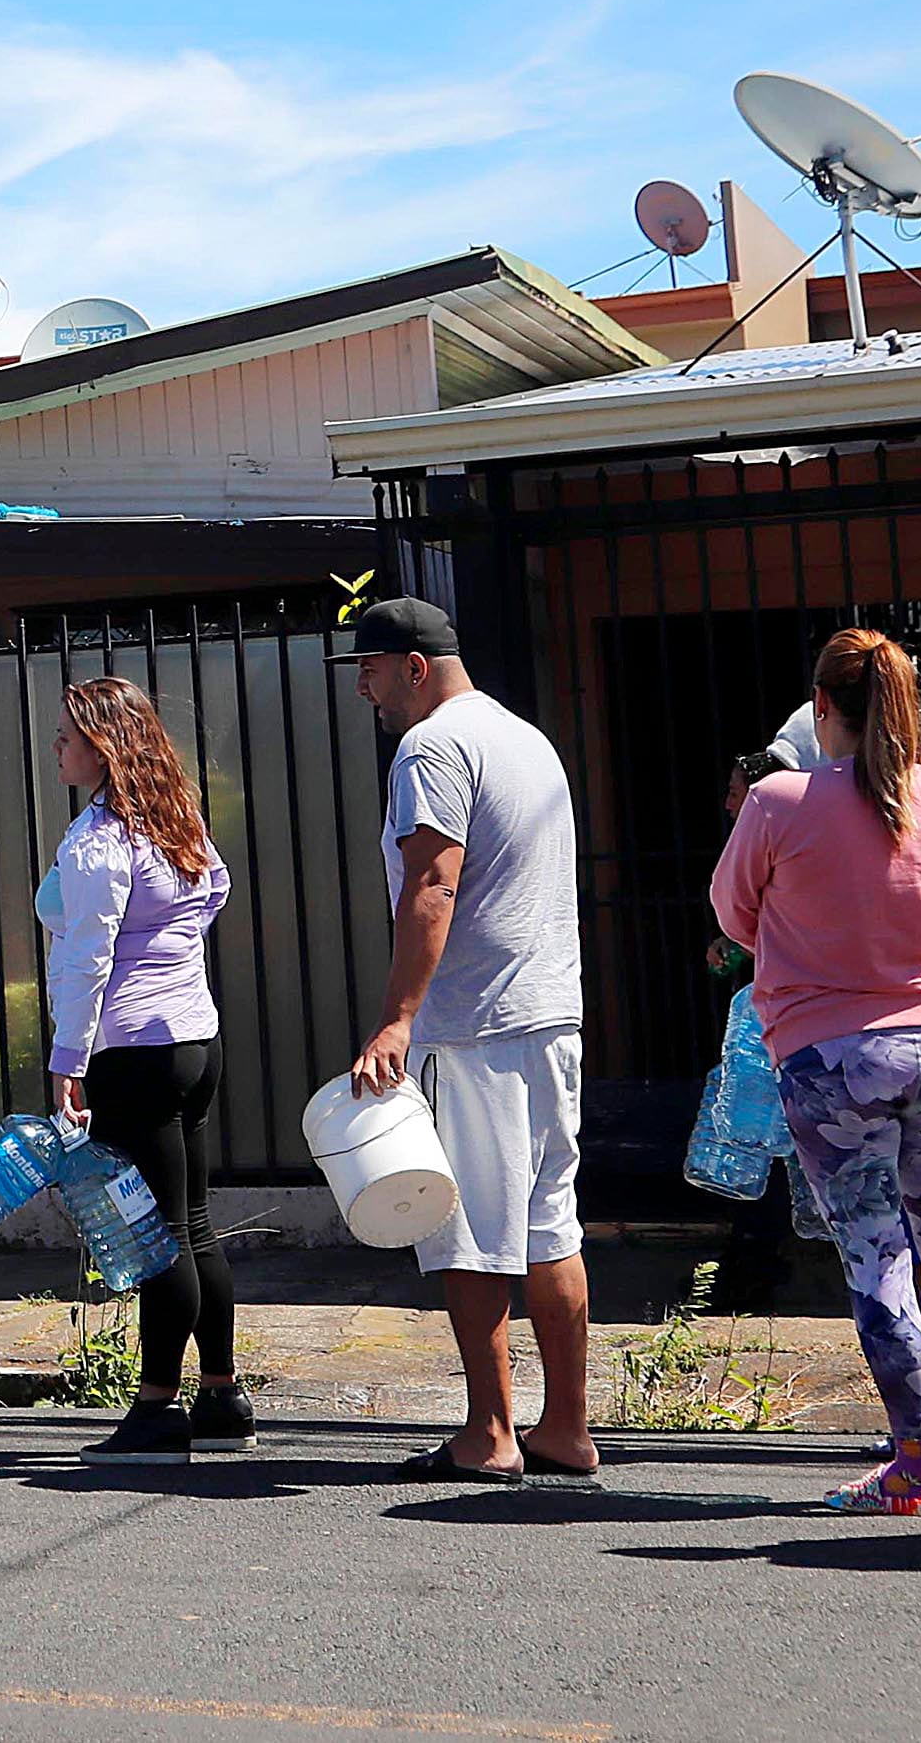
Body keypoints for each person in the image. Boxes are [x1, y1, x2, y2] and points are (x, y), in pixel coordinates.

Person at [710, 631, 921, 1516]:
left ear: (823, 706)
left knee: (877, 1255)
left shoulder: (779, 802)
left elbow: (732, 913)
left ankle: (917, 1463)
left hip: (832, 1058)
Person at [338, 598, 597, 1487]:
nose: (364, 687)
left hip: (474, 1021)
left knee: (465, 1233)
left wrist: (399, 1015)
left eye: (369, 667)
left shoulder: (432, 747)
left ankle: (490, 1432)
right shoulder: (526, 738)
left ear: (415, 665)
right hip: (549, 1013)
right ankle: (567, 1426)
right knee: (549, 1225)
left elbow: (433, 884)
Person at [42, 677, 250, 1460]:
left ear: (101, 746)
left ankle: (158, 1404)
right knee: (193, 1221)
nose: (57, 746)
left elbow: (89, 956)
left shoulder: (99, 838)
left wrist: (69, 1060)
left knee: (159, 1234)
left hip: (132, 1046)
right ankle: (221, 1393)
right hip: (196, 1037)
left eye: (66, 734)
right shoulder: (176, 819)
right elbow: (215, 890)